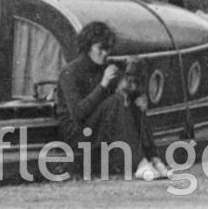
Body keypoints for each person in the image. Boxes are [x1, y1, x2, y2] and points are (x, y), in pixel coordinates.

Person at [55, 22, 166, 180]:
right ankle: (140, 164)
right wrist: (103, 84)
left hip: (97, 128)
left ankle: (154, 160)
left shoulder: (105, 68)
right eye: (101, 48)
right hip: (78, 134)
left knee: (130, 101)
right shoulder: (70, 72)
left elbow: (124, 96)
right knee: (116, 100)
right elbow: (78, 114)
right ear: (88, 47)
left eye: (108, 48)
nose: (105, 53)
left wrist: (137, 97)